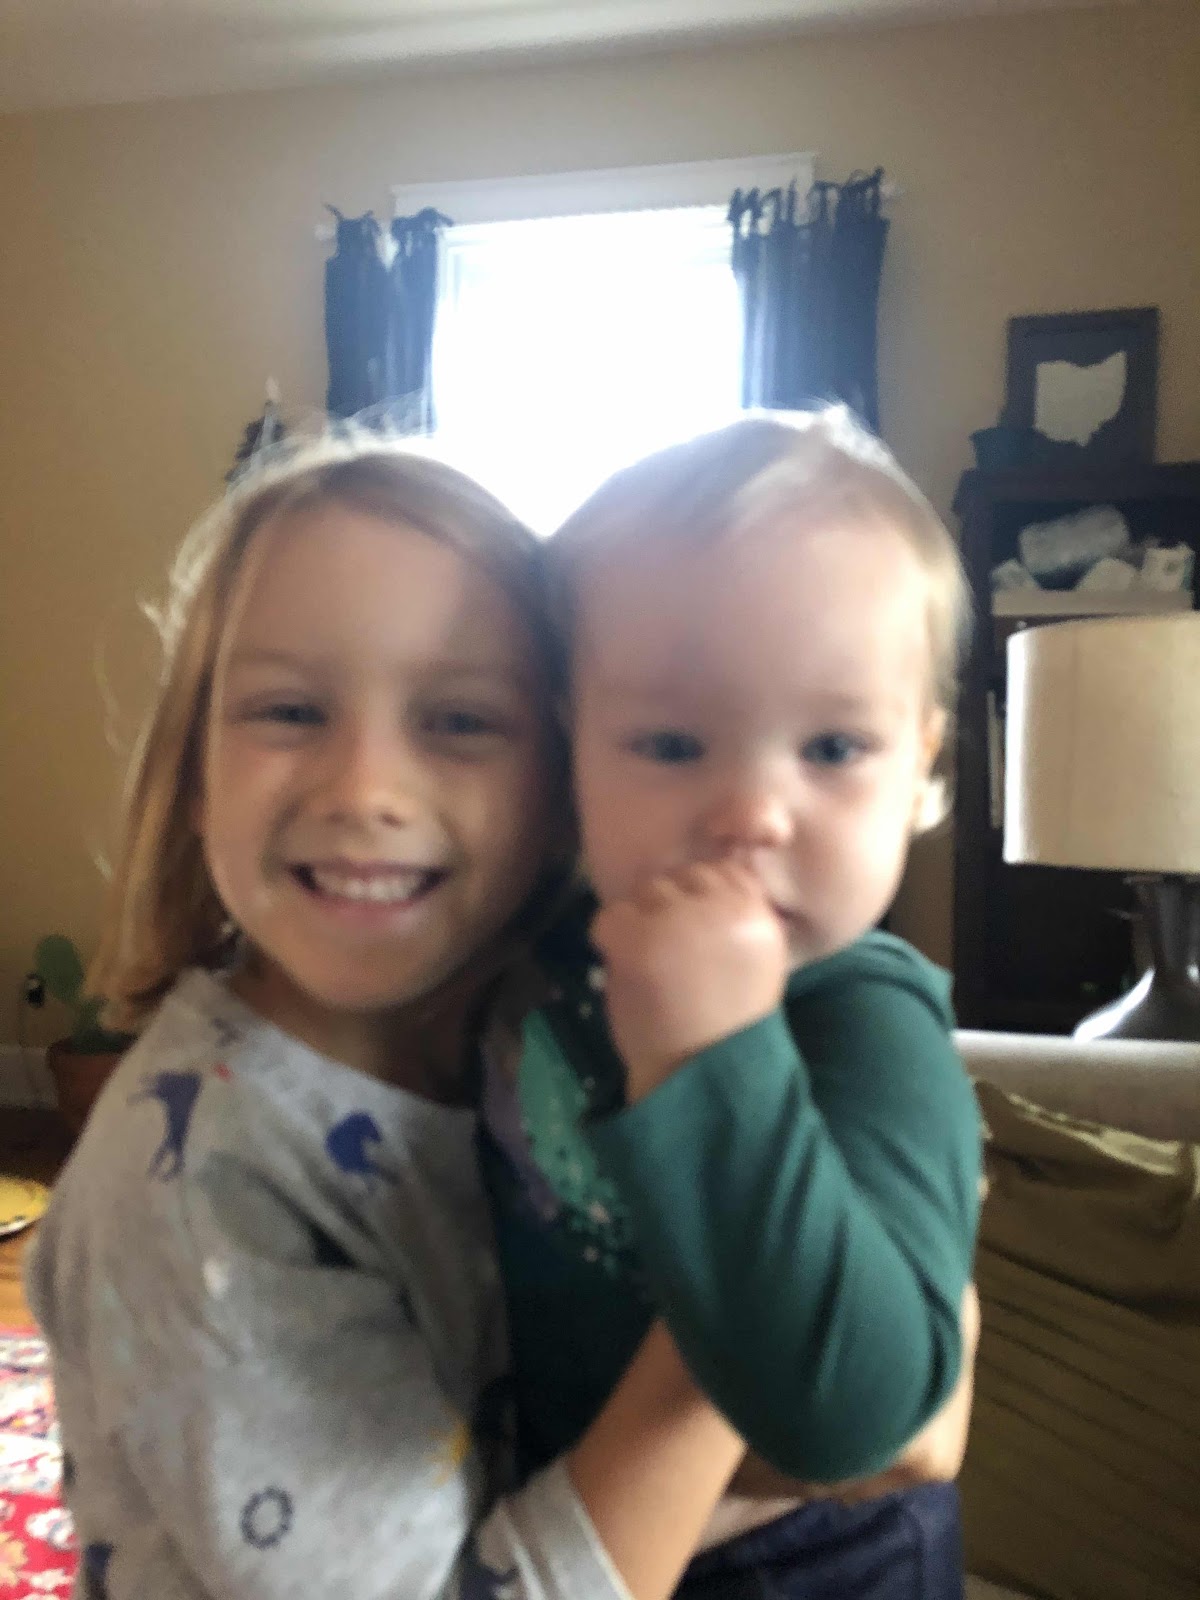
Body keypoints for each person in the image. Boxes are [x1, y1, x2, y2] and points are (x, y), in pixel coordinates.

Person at [25, 432, 757, 1600]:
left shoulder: (531, 1027)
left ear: (563, 787)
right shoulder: (199, 1188)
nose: (365, 787)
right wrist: (752, 1349)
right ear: (197, 772)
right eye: (289, 709)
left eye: (460, 720)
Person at [480, 408, 984, 1597]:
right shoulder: (534, 950)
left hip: (824, 1568)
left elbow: (859, 1421)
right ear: (570, 748)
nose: (752, 813)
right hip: (565, 1522)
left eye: (833, 747)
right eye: (669, 743)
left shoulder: (871, 1024)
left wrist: (713, 1048)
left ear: (924, 768)